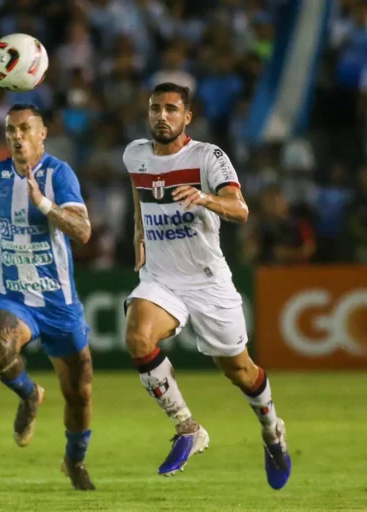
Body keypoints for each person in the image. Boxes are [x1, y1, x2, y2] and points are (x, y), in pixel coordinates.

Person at [121, 83, 291, 489]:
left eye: (171, 109)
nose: (162, 116)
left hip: (207, 281)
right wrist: (139, 232)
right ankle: (187, 427)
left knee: (241, 372)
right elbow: (139, 194)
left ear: (187, 117)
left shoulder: (207, 156)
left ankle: (272, 431)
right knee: (138, 337)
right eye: (155, 109)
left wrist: (204, 198)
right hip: (161, 278)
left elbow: (241, 209)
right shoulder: (135, 154)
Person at [0, 103, 96, 490]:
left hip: (57, 302)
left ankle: (75, 460)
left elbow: (82, 231)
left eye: (25, 129)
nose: (16, 136)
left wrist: (43, 204)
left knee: (79, 394)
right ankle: (30, 397)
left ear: (42, 133)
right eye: (10, 130)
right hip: (11, 294)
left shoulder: (59, 174)